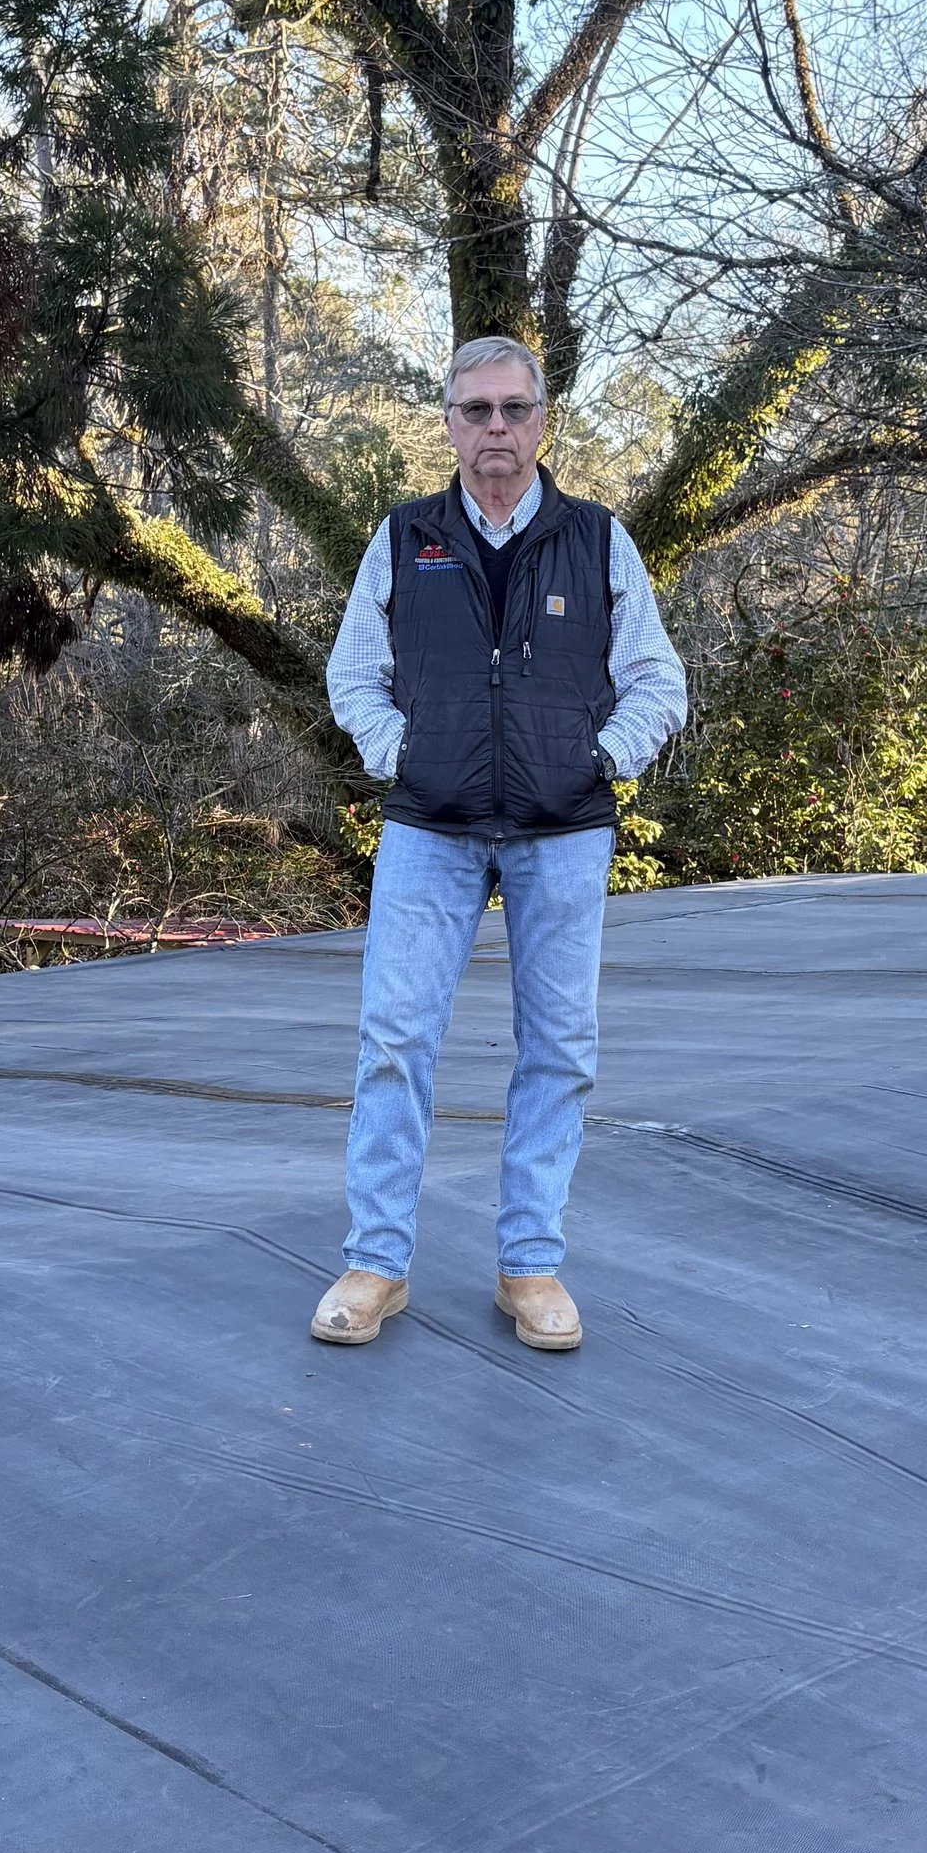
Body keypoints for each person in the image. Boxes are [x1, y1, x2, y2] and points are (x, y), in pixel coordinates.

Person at [315, 336, 687, 1353]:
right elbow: (351, 673)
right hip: (428, 829)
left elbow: (659, 679)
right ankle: (376, 1264)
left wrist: (595, 758)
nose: (495, 429)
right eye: (474, 410)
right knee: (394, 1042)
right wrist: (407, 750)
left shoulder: (599, 540)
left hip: (560, 830)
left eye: (513, 409)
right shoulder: (402, 537)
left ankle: (529, 1267)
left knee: (559, 1051)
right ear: (446, 423)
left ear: (542, 421)